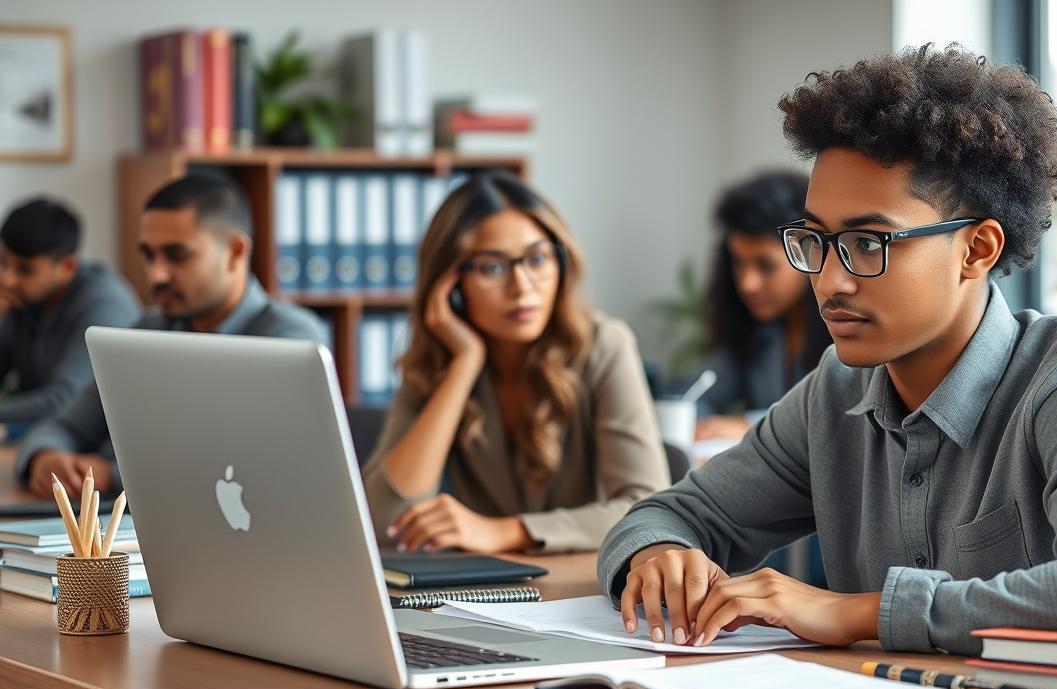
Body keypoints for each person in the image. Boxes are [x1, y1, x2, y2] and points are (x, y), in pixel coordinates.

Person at [597, 45, 1057, 654]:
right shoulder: (837, 392)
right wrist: (659, 553)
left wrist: (858, 613)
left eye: (869, 241)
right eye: (816, 241)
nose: (830, 280)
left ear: (977, 249)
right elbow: (664, 516)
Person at [362, 171, 668, 555]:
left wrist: (505, 532)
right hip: (480, 596)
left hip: (580, 588)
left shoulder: (603, 345)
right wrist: (464, 364)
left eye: (537, 259)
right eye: (492, 267)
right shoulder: (438, 362)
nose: (523, 287)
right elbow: (385, 519)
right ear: (450, 286)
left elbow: (646, 507)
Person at [17, 174, 325, 495]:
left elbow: (246, 467)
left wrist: (112, 476)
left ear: (235, 252)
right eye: (149, 255)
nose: (156, 275)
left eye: (177, 256)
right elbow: (63, 426)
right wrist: (45, 458)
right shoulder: (146, 333)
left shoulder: (290, 341)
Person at [694, 171, 832, 442]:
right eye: (738, 262)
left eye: (765, 266)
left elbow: (844, 422)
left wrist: (751, 424)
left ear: (807, 253)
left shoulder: (846, 329)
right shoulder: (755, 331)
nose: (747, 284)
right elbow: (696, 396)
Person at [0, 198, 139, 431]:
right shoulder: (22, 299)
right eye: (3, 263)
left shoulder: (104, 305)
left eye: (25, 269)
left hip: (96, 442)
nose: (8, 280)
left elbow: (66, 400)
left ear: (67, 267)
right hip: (42, 431)